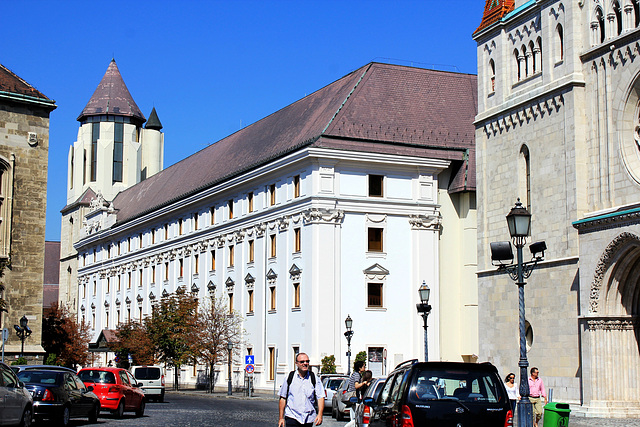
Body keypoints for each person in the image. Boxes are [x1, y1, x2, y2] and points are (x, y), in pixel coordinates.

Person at [278, 353, 325, 427]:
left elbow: (321, 397)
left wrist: (320, 414)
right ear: (296, 363)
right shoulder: (290, 377)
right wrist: (281, 418)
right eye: (302, 362)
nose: (305, 363)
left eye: (307, 361)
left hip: (308, 418)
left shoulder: (314, 378)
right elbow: (283, 398)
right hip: (292, 416)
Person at [344, 361, 370, 427]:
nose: (365, 368)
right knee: (354, 418)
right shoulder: (357, 375)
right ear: (359, 367)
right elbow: (356, 386)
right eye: (364, 366)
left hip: (355, 397)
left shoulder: (356, 374)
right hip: (354, 397)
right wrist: (363, 383)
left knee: (354, 418)